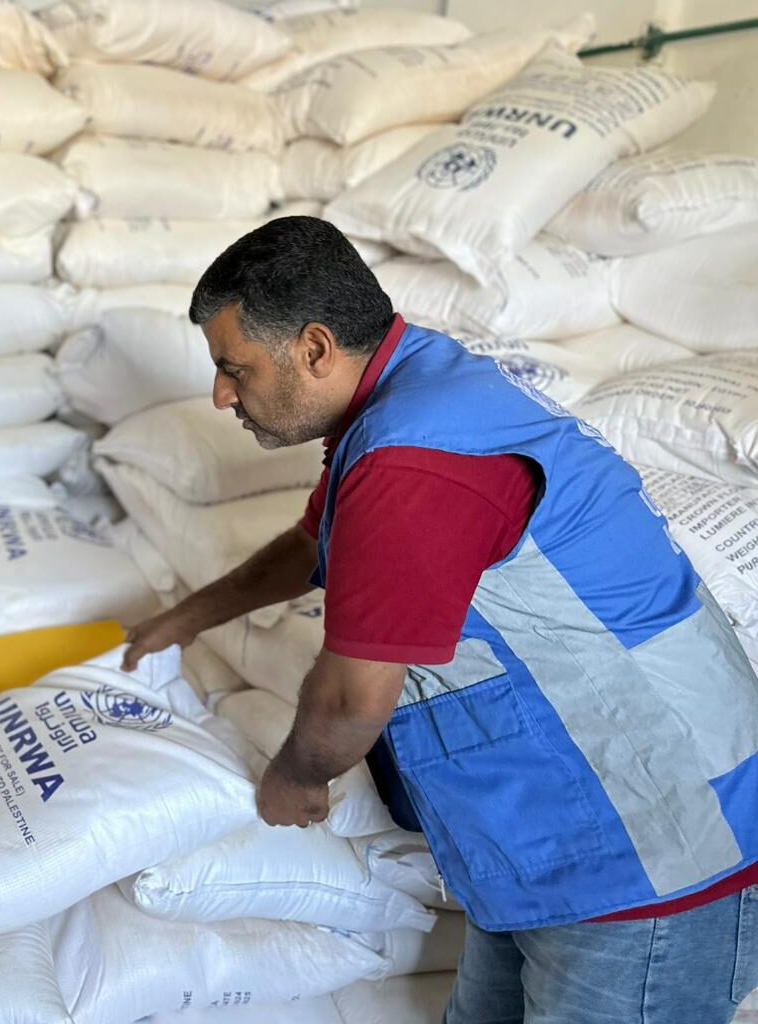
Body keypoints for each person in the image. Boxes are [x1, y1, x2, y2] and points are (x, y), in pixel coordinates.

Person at [122, 216, 758, 1024]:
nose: (221, 395)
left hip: (655, 852)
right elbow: (311, 545)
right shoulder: (407, 404)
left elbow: (355, 696)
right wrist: (188, 616)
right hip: (556, 841)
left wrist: (296, 779)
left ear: (315, 349)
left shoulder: (414, 459)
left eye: (233, 369)